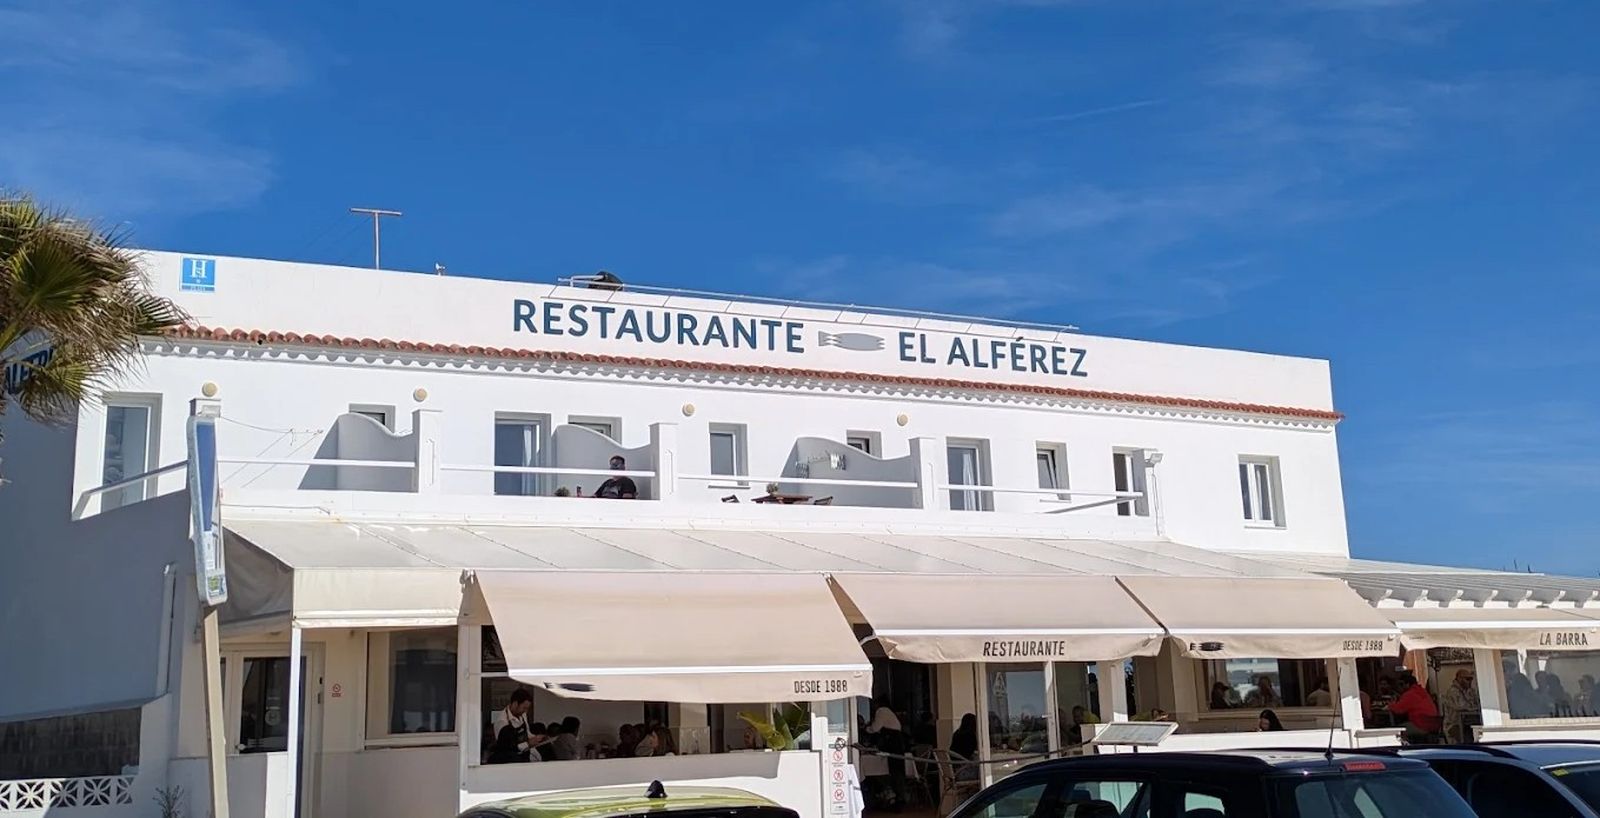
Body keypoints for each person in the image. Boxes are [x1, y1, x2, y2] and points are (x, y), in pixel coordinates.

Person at [864, 700, 907, 810]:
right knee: (896, 770)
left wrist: (866, 729)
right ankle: (897, 797)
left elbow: (875, 728)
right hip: (896, 742)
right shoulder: (889, 713)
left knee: (895, 771)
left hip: (893, 743)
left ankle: (898, 798)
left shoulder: (881, 711)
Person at [1388, 671, 1442, 743]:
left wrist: (1390, 704)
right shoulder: (1422, 691)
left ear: (1407, 684)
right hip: (1433, 724)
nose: (1400, 687)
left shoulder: (1410, 694)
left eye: (1401, 684)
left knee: (1395, 731)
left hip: (1420, 724)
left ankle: (1405, 748)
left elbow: (1398, 709)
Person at [1441, 669, 1481, 744]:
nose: (1470, 681)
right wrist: (1474, 707)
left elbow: (1478, 703)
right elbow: (1463, 707)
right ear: (1459, 679)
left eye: (1471, 679)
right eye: (1467, 679)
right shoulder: (1452, 692)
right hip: (1454, 725)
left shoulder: (1470, 691)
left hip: (1468, 724)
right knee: (1469, 740)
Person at [948, 714, 979, 782]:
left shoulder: (956, 733)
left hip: (955, 769)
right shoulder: (970, 736)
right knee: (984, 769)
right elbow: (969, 753)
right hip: (963, 770)